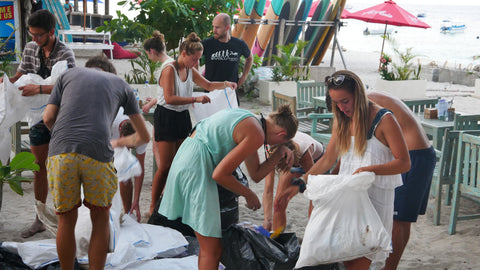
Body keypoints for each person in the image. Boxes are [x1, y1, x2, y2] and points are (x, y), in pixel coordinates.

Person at [279, 70, 411, 270]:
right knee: (347, 256)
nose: (341, 107)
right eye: (336, 103)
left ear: (358, 95)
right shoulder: (341, 120)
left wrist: (370, 170)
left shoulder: (384, 120)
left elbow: (404, 163)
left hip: (375, 199)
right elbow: (327, 160)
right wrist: (300, 183)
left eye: (345, 101)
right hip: (347, 197)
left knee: (363, 256)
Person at [43, 55, 150, 270]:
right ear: (111, 72)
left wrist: (64, 138)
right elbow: (144, 137)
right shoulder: (121, 84)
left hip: (60, 153)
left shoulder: (67, 75)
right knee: (100, 221)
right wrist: (120, 142)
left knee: (66, 220)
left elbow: (47, 118)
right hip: (98, 154)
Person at [159, 105, 298, 270]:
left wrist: (279, 152)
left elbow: (256, 173)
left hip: (187, 158)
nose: (272, 147)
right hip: (196, 166)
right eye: (280, 143)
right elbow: (220, 175)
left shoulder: (252, 120)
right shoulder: (256, 133)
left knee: (211, 247)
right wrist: (248, 194)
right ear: (282, 134)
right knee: (212, 250)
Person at [142, 31, 237, 215]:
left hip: (182, 116)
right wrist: (195, 100)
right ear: (184, 53)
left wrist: (225, 83)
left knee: (182, 163)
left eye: (199, 60)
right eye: (194, 59)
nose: (197, 64)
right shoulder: (169, 69)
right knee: (165, 166)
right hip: (167, 117)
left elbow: (208, 85)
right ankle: (153, 206)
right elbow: (169, 98)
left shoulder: (190, 68)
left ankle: (174, 203)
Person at [0, 9, 76, 238]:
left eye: (38, 35)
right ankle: (39, 218)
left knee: (64, 168)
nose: (34, 39)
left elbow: (71, 86)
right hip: (37, 119)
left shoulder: (66, 53)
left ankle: (67, 219)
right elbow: (20, 75)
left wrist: (40, 88)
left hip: (62, 117)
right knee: (38, 168)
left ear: (52, 32)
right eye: (31, 34)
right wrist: (6, 83)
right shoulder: (30, 48)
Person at [367, 92, 436, 270]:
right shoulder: (370, 96)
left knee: (398, 220)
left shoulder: (368, 103)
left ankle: (389, 268)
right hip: (422, 154)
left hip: (414, 156)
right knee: (401, 220)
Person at [263, 131, 324, 232]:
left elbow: (314, 185)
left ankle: (312, 237)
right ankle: (278, 239)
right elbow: (268, 189)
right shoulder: (270, 153)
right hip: (292, 158)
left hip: (318, 161)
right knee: (279, 202)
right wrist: (267, 219)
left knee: (314, 202)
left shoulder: (304, 151)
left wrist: (297, 187)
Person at [112, 107, 148, 222]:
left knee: (125, 172)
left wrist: (136, 200)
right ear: (120, 136)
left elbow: (140, 167)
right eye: (127, 145)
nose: (128, 148)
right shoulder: (109, 121)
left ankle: (128, 212)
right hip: (103, 138)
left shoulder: (141, 132)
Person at [202, 13, 252, 93]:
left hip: (231, 93)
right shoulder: (207, 44)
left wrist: (244, 77)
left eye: (217, 27)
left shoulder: (239, 44)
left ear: (227, 27)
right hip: (211, 93)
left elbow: (249, 58)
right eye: (213, 26)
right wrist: (197, 75)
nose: (214, 30)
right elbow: (193, 56)